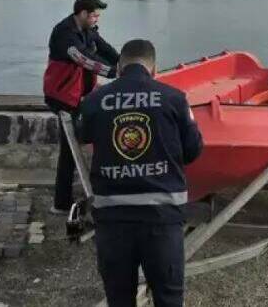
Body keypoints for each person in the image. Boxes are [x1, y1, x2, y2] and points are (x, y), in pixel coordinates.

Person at [80, 39, 203, 307]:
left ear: (120, 67)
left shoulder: (94, 101)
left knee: (119, 299)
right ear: (154, 69)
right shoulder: (175, 99)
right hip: (162, 220)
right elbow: (193, 151)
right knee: (168, 298)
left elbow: (82, 135)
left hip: (113, 221)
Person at [43, 0, 119, 214]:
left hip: (80, 95)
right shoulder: (65, 34)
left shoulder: (87, 30)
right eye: (94, 15)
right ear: (83, 13)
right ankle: (61, 203)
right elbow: (83, 58)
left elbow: (103, 48)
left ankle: (91, 188)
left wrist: (125, 62)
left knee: (86, 137)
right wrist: (114, 72)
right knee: (69, 150)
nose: (97, 19)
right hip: (62, 98)